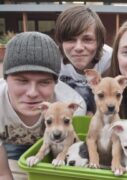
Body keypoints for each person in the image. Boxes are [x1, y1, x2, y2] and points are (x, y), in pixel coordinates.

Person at [0, 31, 87, 179]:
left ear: (55, 82)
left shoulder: (73, 104)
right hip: (9, 148)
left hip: (54, 148)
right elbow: (3, 175)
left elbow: (70, 147)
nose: (32, 93)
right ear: (5, 78)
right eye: (22, 81)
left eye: (44, 82)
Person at [55, 5, 112, 115]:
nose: (78, 48)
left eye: (87, 39)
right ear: (61, 42)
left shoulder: (110, 60)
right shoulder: (53, 60)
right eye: (71, 39)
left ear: (99, 42)